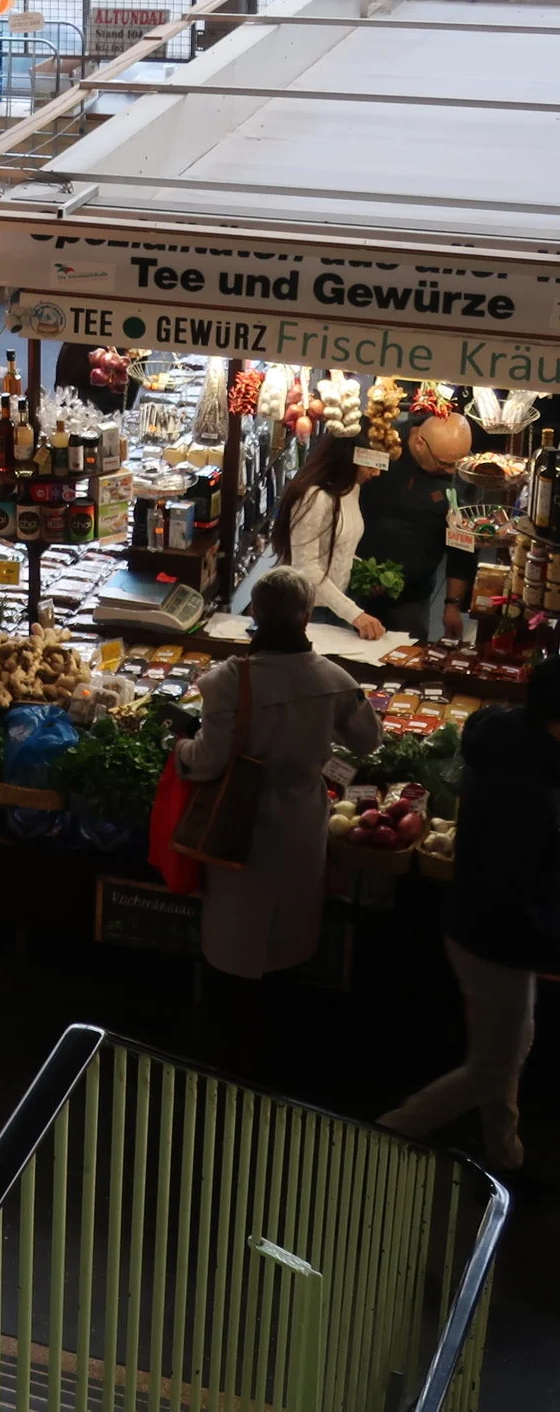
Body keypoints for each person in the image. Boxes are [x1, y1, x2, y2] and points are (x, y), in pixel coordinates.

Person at [175, 569, 383, 1072]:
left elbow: (207, 761)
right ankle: (280, 1061)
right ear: (307, 617)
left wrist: (179, 747)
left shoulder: (226, 682)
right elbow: (369, 741)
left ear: (255, 615)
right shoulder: (334, 680)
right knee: (290, 939)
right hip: (300, 826)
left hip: (238, 828)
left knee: (234, 941)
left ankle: (225, 1060)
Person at [377, 657, 560, 1171]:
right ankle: (391, 1130)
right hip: (497, 934)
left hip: (480, 921)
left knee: (510, 1047)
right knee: (494, 1065)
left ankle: (506, 1155)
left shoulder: (506, 739)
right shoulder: (531, 788)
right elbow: (520, 875)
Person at [358, 409, 479, 641]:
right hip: (352, 583)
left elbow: (462, 545)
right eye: (444, 464)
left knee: (406, 662)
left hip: (412, 595)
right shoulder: (381, 442)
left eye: (458, 463)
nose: (452, 471)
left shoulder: (463, 472)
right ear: (420, 443)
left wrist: (452, 605)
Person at [273, 433, 388, 639]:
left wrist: (366, 572)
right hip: (307, 610)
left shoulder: (352, 489)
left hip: (336, 604)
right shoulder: (314, 497)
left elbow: (338, 546)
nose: (377, 473)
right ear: (349, 459)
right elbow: (306, 567)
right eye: (370, 465)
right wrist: (355, 614)